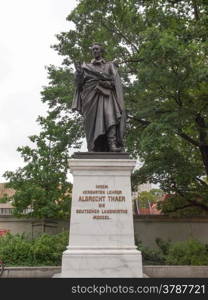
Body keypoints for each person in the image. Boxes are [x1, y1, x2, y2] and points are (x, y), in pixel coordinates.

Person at [72, 43, 126, 152]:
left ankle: (112, 144)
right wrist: (78, 73)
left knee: (111, 116)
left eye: (97, 49)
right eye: (93, 50)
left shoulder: (109, 65)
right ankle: (93, 146)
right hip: (90, 97)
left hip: (107, 95)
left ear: (101, 51)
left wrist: (107, 84)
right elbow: (78, 85)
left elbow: (116, 82)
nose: (95, 51)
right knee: (91, 122)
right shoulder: (85, 67)